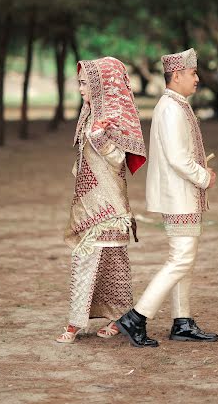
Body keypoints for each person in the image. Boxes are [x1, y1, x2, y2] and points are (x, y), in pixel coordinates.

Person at [115, 48, 218, 347]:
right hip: (179, 195)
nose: (197, 79)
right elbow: (177, 158)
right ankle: (136, 317)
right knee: (181, 258)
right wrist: (204, 177)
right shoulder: (171, 108)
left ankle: (182, 321)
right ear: (177, 75)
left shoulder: (176, 104)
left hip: (182, 194)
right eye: (193, 73)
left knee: (185, 258)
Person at [56, 57, 146, 343]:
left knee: (110, 261)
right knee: (94, 260)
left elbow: (119, 161)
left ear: (101, 84)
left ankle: (100, 322)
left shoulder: (112, 118)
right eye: (79, 82)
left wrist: (101, 138)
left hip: (110, 204)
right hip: (89, 201)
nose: (81, 88)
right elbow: (84, 158)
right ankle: (92, 321)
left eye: (85, 83)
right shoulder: (88, 113)